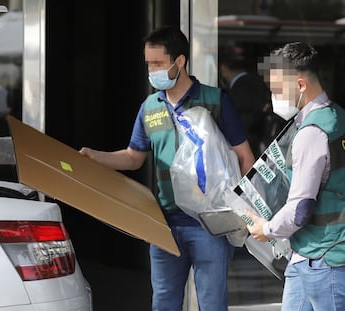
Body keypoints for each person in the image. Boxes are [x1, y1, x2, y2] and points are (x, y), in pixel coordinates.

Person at [80, 26, 255, 311]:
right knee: (164, 302)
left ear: (180, 61)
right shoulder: (150, 107)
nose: (152, 70)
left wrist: (242, 209)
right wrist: (95, 157)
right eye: (148, 64)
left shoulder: (215, 101)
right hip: (164, 225)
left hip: (210, 225)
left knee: (212, 304)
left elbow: (244, 156)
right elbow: (133, 157)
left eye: (158, 64)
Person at [245, 42, 345, 311]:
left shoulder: (312, 133)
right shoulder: (337, 117)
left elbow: (300, 209)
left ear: (301, 85)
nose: (273, 97)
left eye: (277, 90)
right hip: (307, 257)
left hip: (325, 261)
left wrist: (266, 229)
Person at [219, 43, 286, 158]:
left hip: (243, 155)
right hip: (263, 153)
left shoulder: (230, 97)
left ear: (223, 69)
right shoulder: (260, 86)